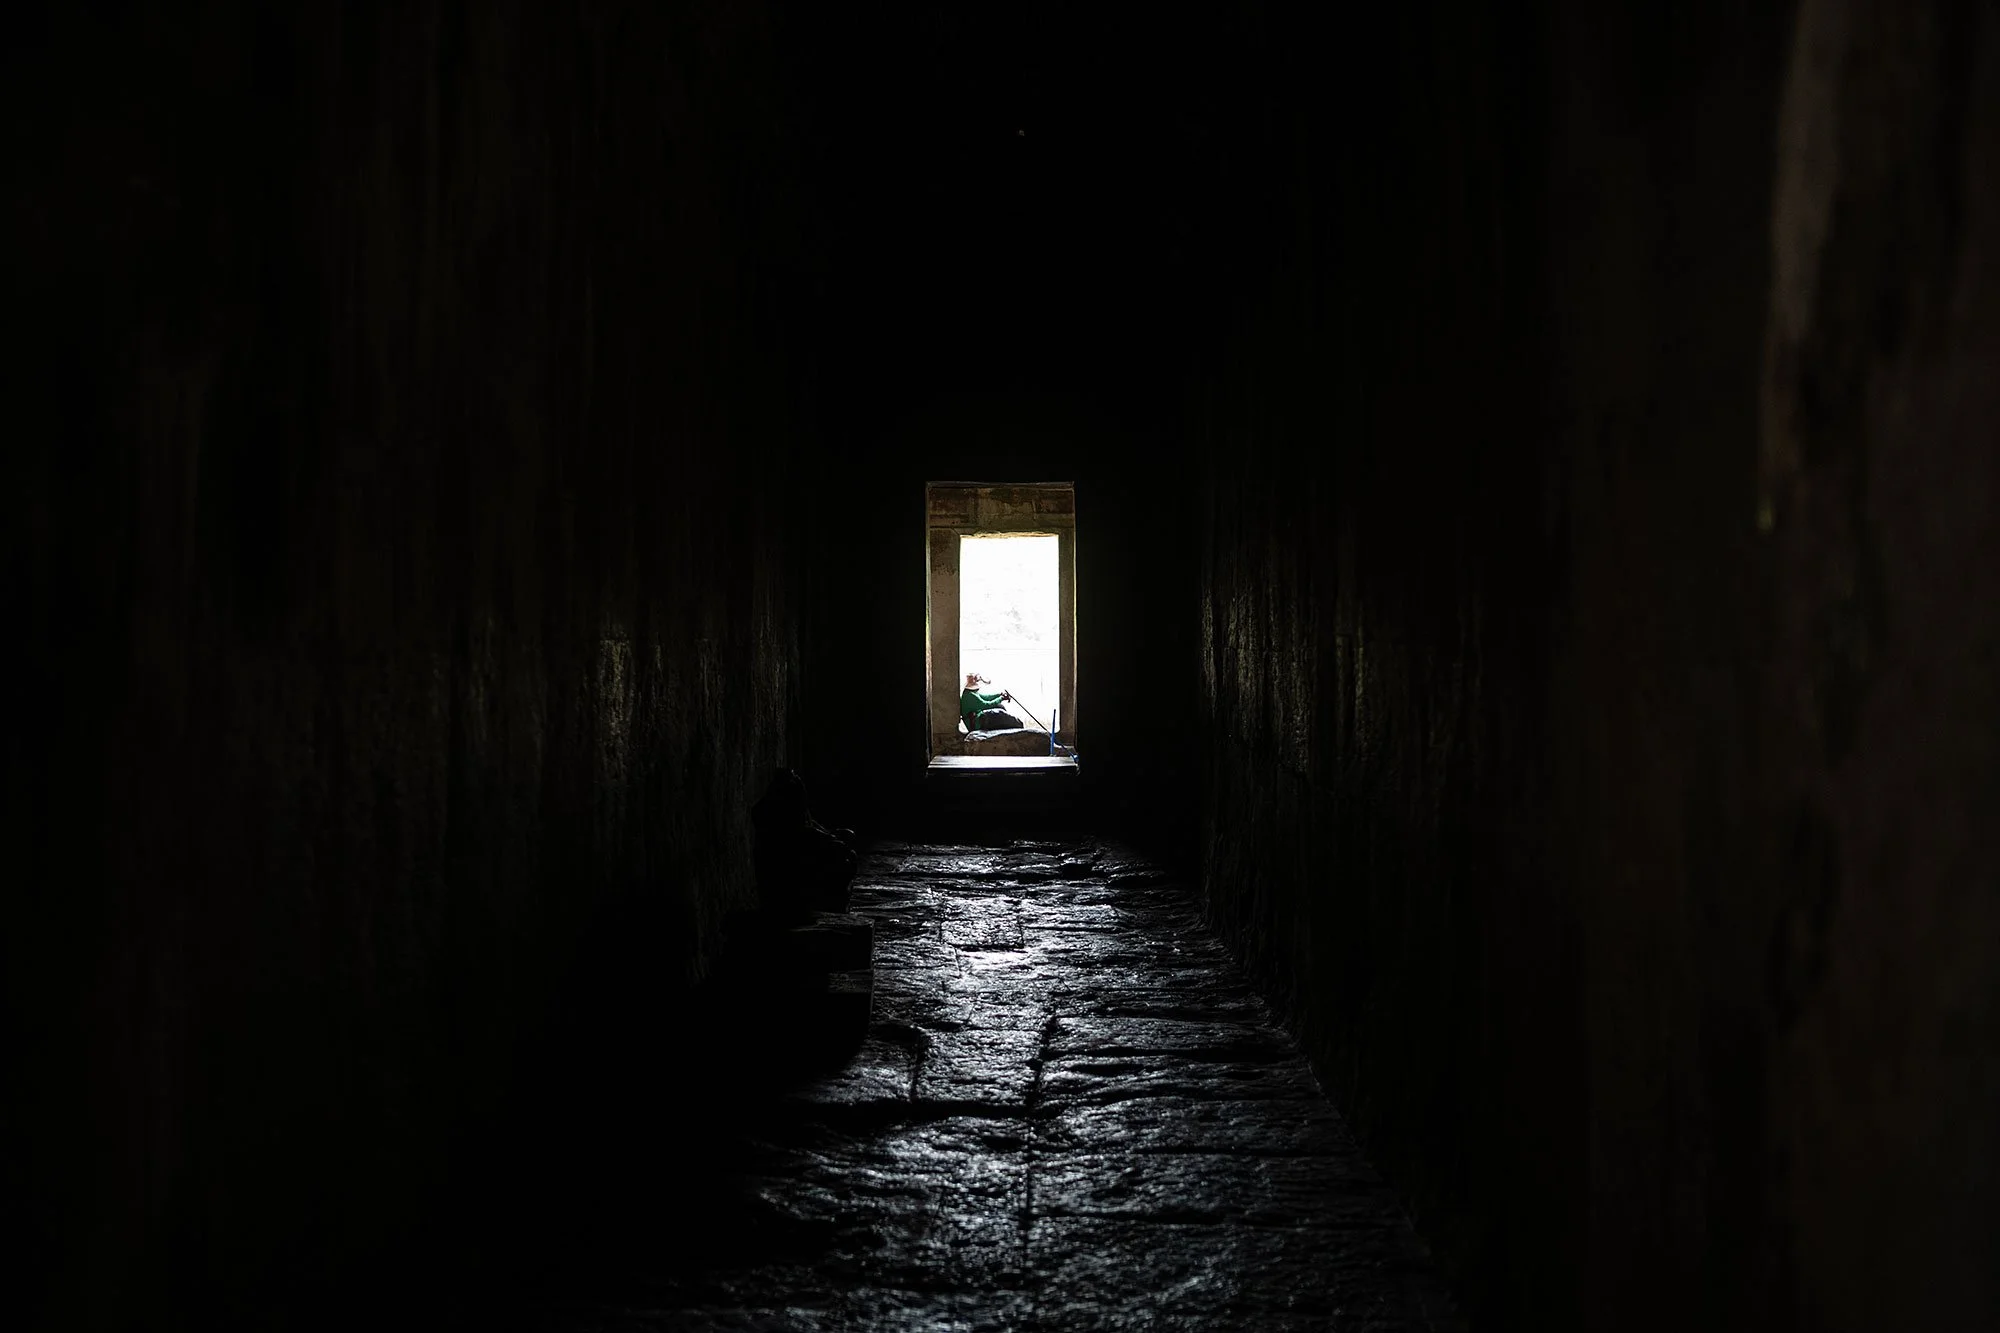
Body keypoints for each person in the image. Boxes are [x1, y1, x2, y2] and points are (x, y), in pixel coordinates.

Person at [960, 672, 1024, 732]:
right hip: (977, 723)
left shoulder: (970, 693)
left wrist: (999, 695)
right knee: (1001, 714)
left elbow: (986, 697)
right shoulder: (971, 696)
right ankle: (1019, 727)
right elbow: (987, 705)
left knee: (999, 706)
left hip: (978, 718)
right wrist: (1001, 698)